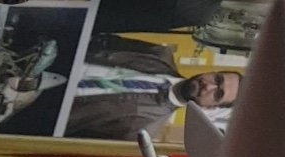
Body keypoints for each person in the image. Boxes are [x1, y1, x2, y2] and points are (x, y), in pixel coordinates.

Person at [65, 33, 243, 142]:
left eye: (217, 93)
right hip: (62, 57)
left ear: (211, 108)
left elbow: (73, 138)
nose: (209, 85)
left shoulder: (142, 129)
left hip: (52, 103)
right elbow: (101, 40)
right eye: (217, 79)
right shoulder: (159, 55)